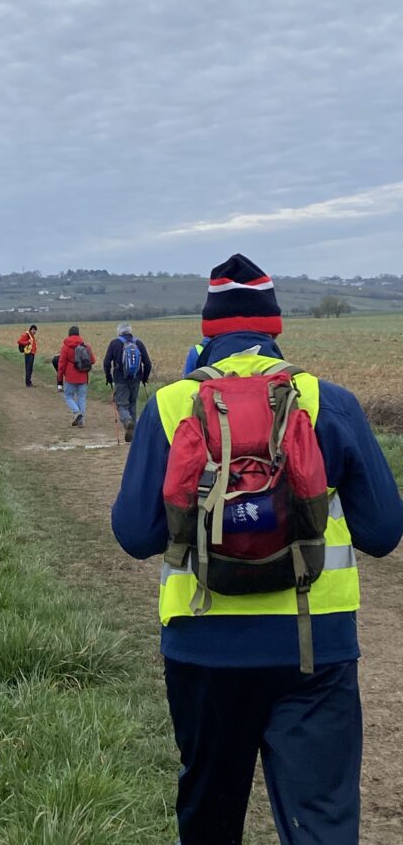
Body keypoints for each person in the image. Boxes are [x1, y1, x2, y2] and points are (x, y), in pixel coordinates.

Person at [111, 253, 403, 845]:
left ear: (208, 329)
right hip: (315, 650)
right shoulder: (330, 402)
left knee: (210, 818)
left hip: (203, 647)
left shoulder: (169, 406)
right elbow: (382, 532)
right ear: (274, 325)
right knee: (320, 820)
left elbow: (135, 536)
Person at [103, 322, 152, 442]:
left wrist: (109, 378)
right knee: (133, 404)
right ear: (130, 331)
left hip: (120, 380)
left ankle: (127, 422)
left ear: (119, 331)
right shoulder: (138, 343)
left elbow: (106, 362)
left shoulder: (114, 343)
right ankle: (133, 433)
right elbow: (148, 363)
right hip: (136, 379)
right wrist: (144, 378)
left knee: (121, 405)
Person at [56, 325, 96, 427]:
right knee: (81, 398)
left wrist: (59, 379)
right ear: (79, 334)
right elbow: (93, 360)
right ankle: (81, 422)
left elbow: (61, 364)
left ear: (69, 334)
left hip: (70, 377)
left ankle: (76, 412)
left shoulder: (65, 347)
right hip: (83, 376)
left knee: (68, 396)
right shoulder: (86, 346)